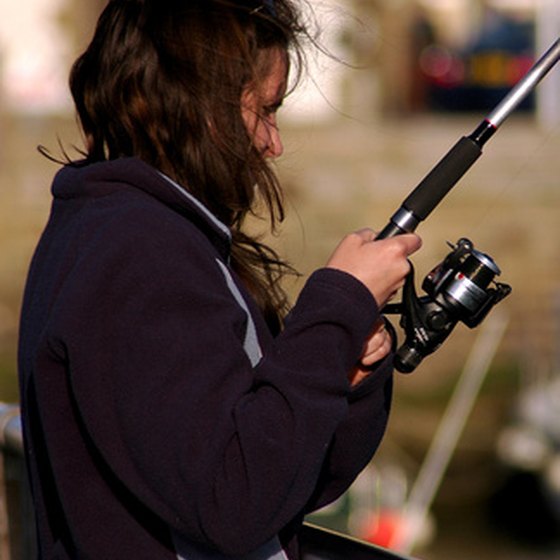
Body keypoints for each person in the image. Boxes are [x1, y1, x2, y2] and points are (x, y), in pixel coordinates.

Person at [17, 1, 422, 558]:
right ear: (198, 105)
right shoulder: (139, 253)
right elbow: (234, 502)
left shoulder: (130, 229)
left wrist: (346, 368)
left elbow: (284, 480)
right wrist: (336, 305)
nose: (271, 143)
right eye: (265, 111)